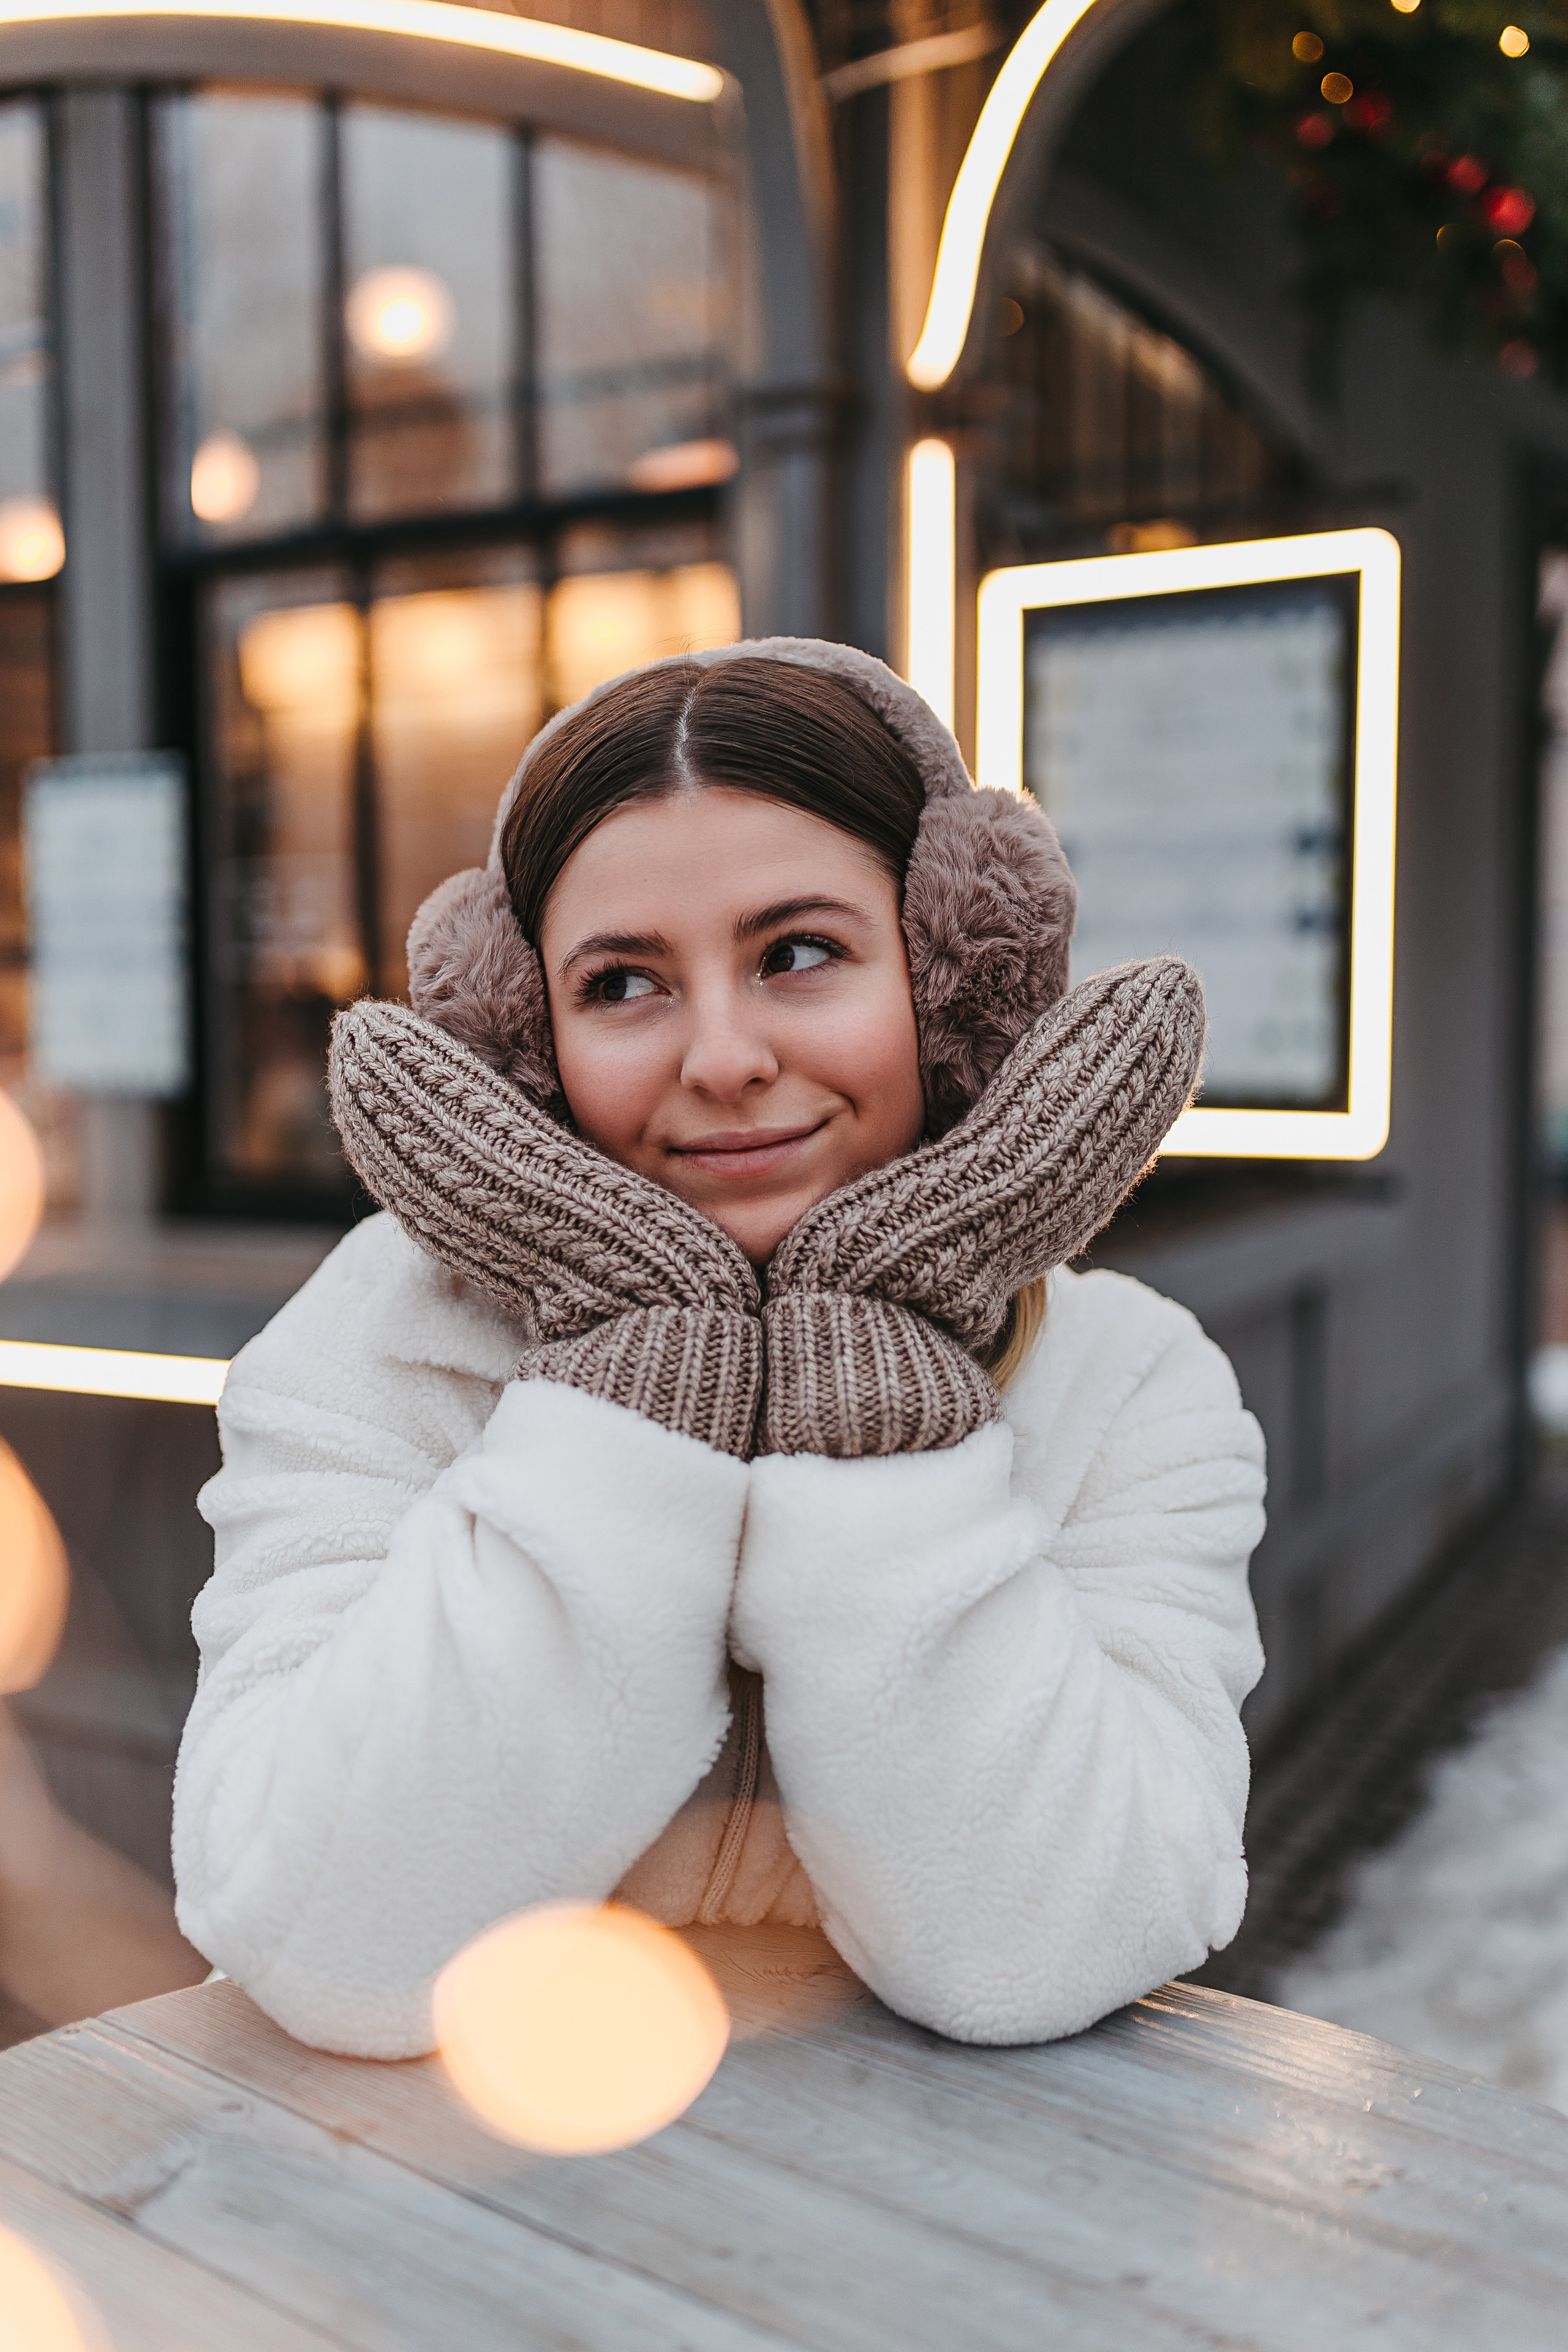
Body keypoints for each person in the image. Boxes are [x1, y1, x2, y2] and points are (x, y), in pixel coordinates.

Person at [171, 639, 1266, 2060]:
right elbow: (323, 1945)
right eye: (623, 985)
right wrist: (626, 1407)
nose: (723, 1056)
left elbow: (1050, 1945)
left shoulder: (1130, 1383)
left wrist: (880, 1424)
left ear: (948, 982)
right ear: (524, 1037)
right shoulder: (369, 1348)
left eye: (797, 954)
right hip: (434, 2217)